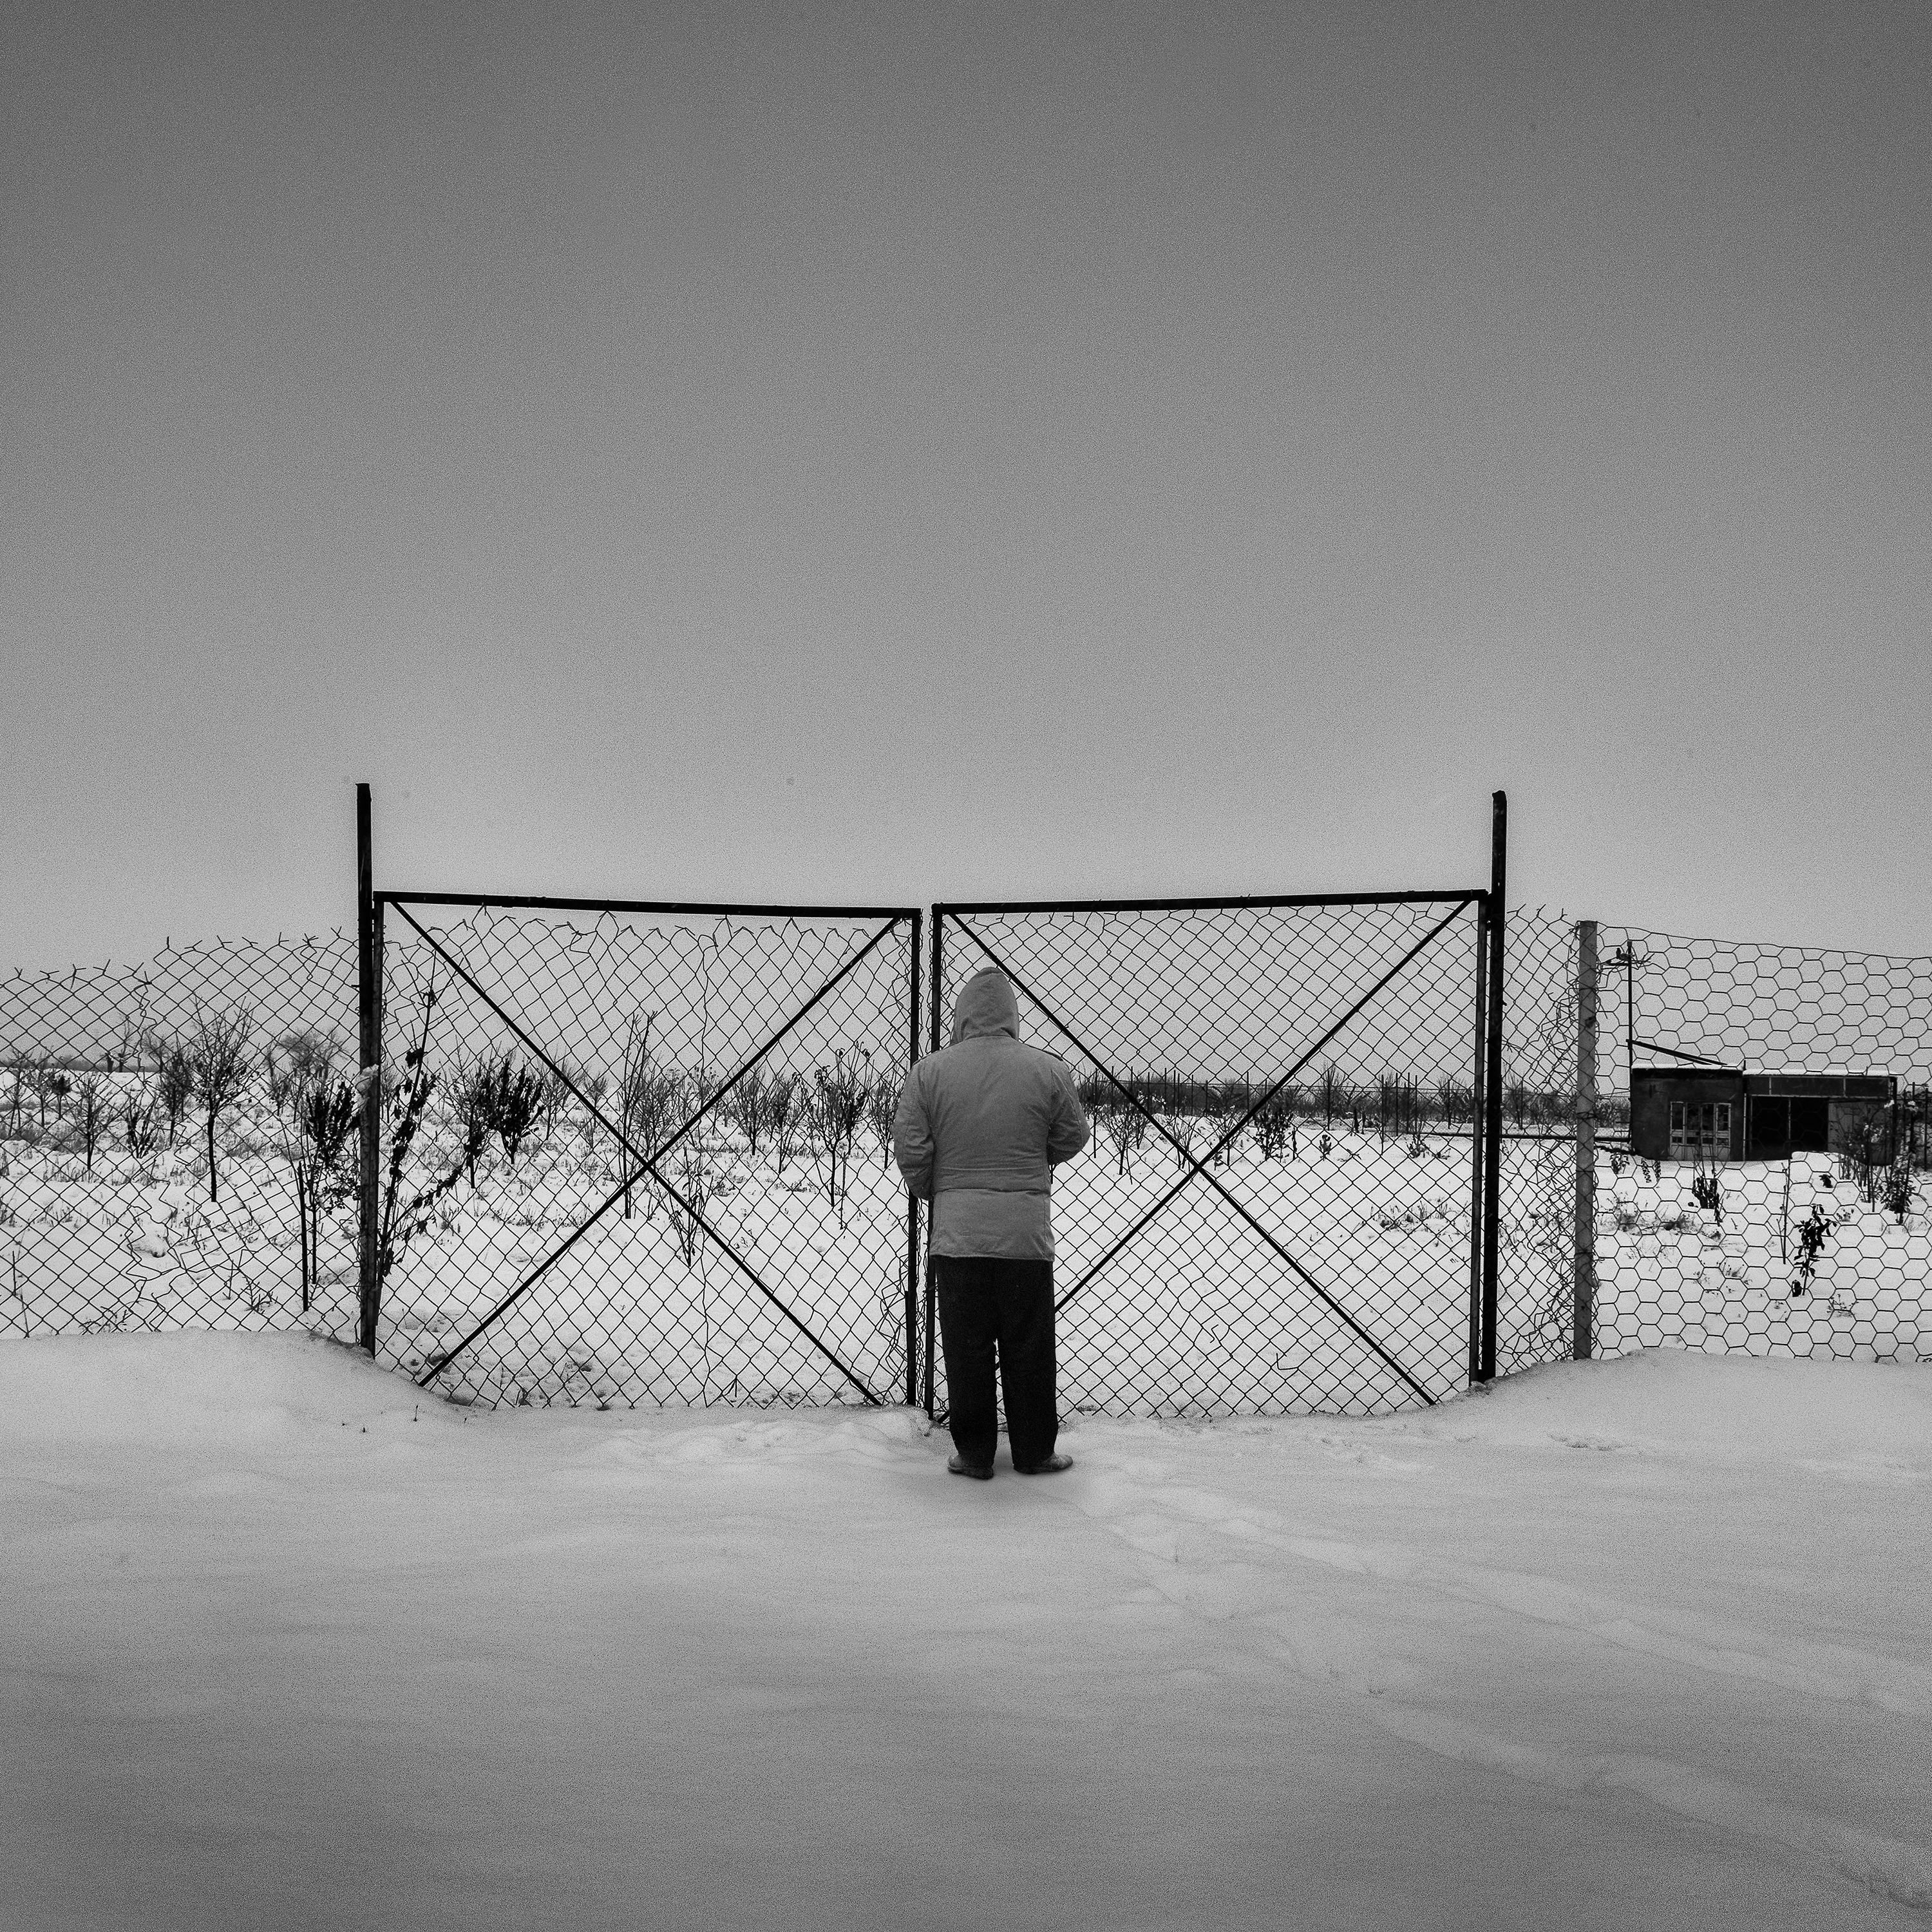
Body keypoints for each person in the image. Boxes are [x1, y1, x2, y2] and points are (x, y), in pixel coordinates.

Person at [892, 966, 1090, 1479]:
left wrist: (942, 1190)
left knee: (966, 1347)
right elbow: (1073, 1136)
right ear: (1012, 1017)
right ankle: (1034, 1451)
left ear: (960, 1018)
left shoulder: (930, 1072)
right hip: (1025, 1237)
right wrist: (1034, 1154)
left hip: (958, 1237)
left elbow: (910, 1148)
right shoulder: (1046, 1070)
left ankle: (975, 1454)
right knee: (1029, 1345)